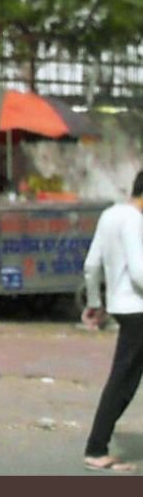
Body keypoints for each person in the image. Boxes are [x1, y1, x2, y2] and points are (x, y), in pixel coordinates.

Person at [81, 170, 143, 472]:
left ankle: (96, 446)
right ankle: (95, 448)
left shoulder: (109, 215)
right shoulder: (135, 220)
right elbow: (139, 273)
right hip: (139, 309)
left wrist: (96, 303)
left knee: (125, 380)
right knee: (123, 382)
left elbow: (91, 264)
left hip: (122, 306)